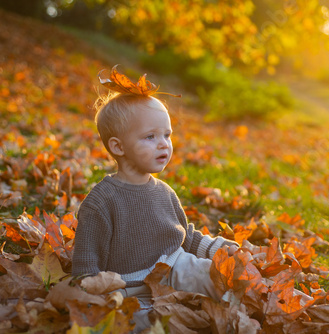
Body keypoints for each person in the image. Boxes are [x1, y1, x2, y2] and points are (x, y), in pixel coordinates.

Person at [72, 71, 239, 331]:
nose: (163, 145)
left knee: (220, 277)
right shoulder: (101, 202)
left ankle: (238, 315)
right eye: (150, 137)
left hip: (174, 266)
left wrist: (217, 248)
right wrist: (91, 296)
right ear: (118, 147)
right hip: (128, 287)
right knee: (142, 325)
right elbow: (86, 262)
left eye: (167, 135)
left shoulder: (164, 192)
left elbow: (186, 235)